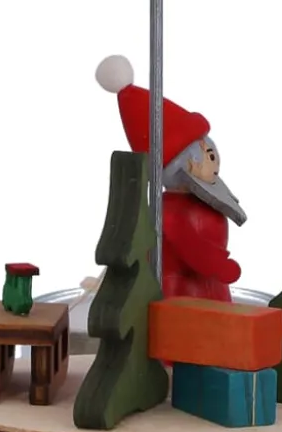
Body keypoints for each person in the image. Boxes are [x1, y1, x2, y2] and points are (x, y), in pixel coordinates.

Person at [96, 54, 245, 301]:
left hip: (211, 289)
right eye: (208, 155)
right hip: (180, 292)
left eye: (213, 152)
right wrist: (218, 266)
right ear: (184, 165)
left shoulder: (202, 201)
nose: (215, 162)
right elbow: (190, 246)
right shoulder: (169, 211)